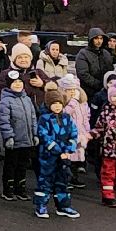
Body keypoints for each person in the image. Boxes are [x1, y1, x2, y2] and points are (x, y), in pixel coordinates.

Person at [33, 83, 80, 219]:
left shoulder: (67, 118)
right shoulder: (44, 119)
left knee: (62, 181)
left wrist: (69, 148)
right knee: (45, 181)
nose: (57, 106)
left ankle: (63, 206)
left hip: (64, 156)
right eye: (54, 103)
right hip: (48, 157)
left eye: (59, 103)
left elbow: (73, 134)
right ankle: (41, 206)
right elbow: (43, 136)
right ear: (48, 105)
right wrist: (58, 150)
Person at [0, 70, 38, 202]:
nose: (18, 84)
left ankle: (20, 189)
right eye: (14, 82)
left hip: (27, 140)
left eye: (20, 82)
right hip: (14, 140)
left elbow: (33, 118)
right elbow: (4, 120)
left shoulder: (27, 99)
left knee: (22, 165)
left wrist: (35, 134)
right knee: (11, 165)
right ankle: (8, 189)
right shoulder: (5, 101)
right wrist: (8, 136)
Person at [74, 28, 114, 110]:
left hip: (105, 91)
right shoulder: (83, 54)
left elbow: (110, 70)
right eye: (96, 38)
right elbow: (83, 74)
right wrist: (98, 84)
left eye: (101, 38)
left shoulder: (106, 53)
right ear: (91, 39)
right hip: (89, 92)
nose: (99, 41)